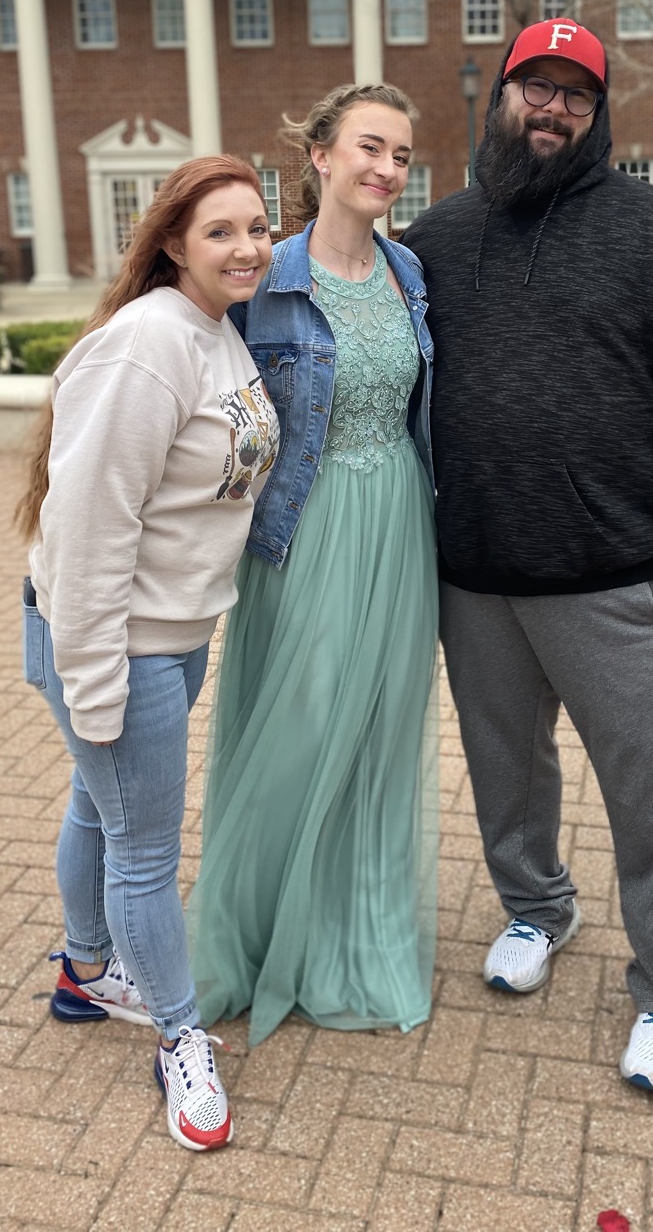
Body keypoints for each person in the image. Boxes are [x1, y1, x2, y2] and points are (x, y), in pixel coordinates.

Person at [402, 19, 653, 1093]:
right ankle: (537, 909)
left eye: (575, 93)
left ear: (599, 115)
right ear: (500, 98)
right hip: (475, 573)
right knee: (506, 774)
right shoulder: (435, 236)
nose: (551, 107)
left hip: (617, 573)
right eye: (535, 87)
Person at [17, 155, 279, 1151]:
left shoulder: (214, 330)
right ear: (172, 242)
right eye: (220, 230)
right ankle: (180, 1038)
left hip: (171, 633)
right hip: (117, 642)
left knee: (101, 806)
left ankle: (85, 971)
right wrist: (93, 684)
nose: (247, 247)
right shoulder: (146, 347)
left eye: (257, 227)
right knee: (144, 851)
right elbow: (87, 527)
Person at [186, 83, 438, 1045]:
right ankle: (256, 937)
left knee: (378, 725)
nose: (387, 168)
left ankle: (352, 935)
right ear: (321, 156)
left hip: (400, 519)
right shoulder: (268, 274)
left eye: (401, 155)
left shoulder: (409, 271)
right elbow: (204, 383)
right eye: (370, 147)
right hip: (306, 523)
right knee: (299, 721)